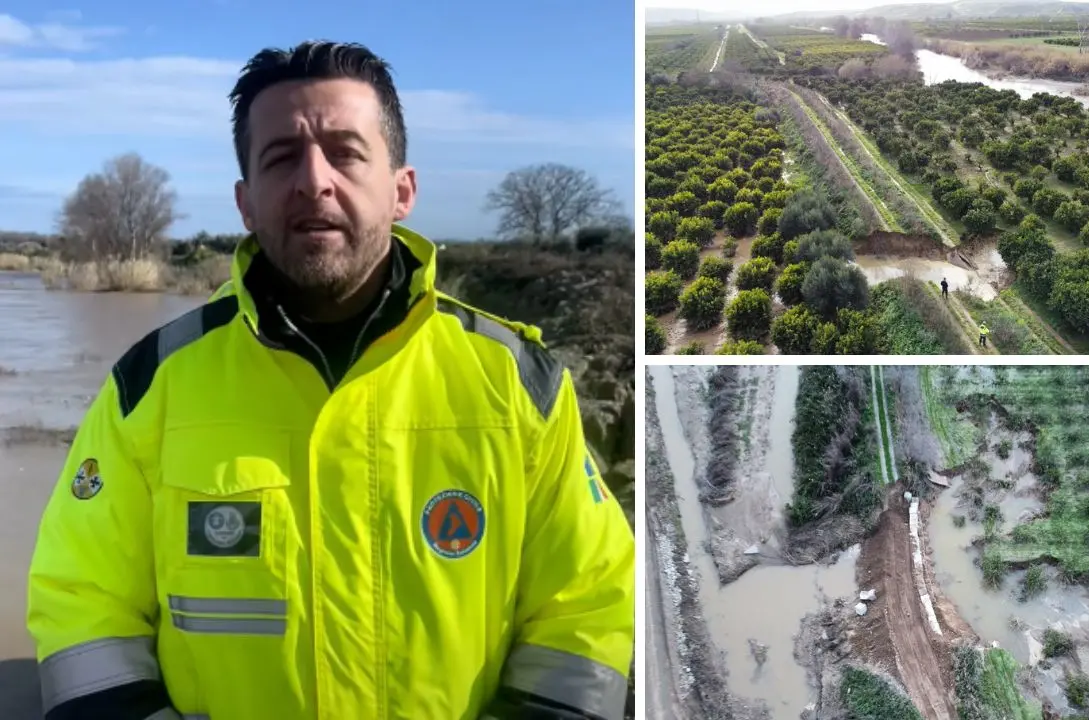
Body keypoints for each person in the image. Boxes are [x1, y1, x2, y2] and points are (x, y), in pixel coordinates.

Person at [27, 41, 634, 720]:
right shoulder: (151, 384)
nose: (313, 180)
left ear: (402, 190)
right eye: (281, 157)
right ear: (246, 202)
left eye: (345, 153)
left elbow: (588, 603)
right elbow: (81, 601)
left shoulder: (517, 383)